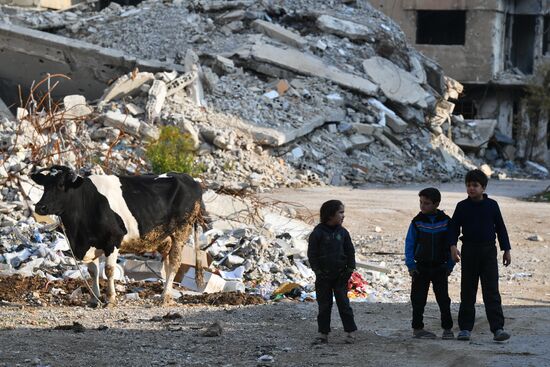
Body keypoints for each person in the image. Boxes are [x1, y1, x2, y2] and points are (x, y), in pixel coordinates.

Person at [450, 169, 512, 342]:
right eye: (468, 185)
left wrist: (506, 249)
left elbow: (500, 228)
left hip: (488, 252)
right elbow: (454, 228)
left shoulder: (492, 205)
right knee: (467, 291)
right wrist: (453, 247)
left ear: (483, 187)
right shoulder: (462, 207)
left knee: (491, 291)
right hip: (469, 251)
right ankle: (465, 329)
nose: (471, 188)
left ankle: (498, 329)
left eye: (475, 185)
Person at [405, 188, 454, 340]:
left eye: (426, 203)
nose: (422, 206)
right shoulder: (417, 222)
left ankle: (447, 329)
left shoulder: (446, 221)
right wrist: (411, 265)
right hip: (421, 267)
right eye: (421, 202)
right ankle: (418, 329)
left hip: (440, 267)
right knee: (418, 299)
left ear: (436, 204)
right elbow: (410, 244)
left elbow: (452, 244)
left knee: (443, 299)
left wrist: (450, 265)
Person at [307, 200, 357, 344]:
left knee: (344, 304)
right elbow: (312, 254)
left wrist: (349, 270)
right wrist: (318, 271)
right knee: (324, 306)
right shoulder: (318, 233)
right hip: (323, 277)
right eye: (340, 212)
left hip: (341, 276)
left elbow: (350, 252)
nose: (343, 216)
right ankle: (323, 334)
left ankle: (350, 332)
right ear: (330, 215)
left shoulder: (343, 232)